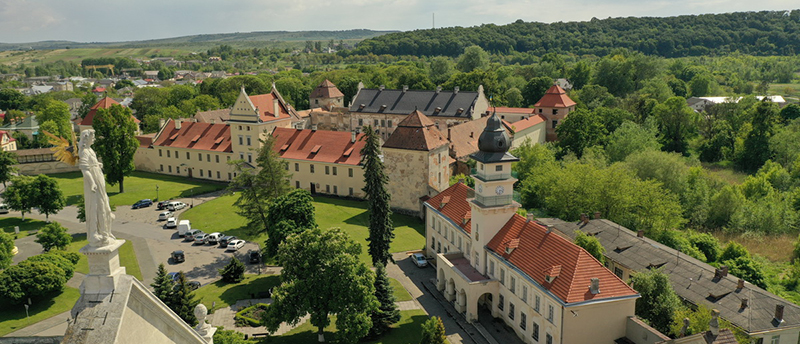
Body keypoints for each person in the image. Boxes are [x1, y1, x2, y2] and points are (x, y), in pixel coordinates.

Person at [79, 129, 116, 247]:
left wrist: (97, 165)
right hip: (94, 184)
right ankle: (95, 234)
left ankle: (106, 232)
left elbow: (91, 165)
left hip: (99, 180)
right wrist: (92, 183)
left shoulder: (90, 150)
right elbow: (85, 169)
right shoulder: (84, 152)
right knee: (95, 207)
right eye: (92, 136)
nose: (94, 138)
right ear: (86, 138)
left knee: (105, 207)